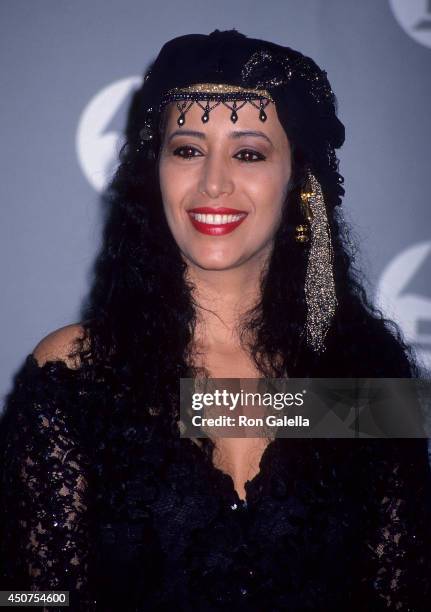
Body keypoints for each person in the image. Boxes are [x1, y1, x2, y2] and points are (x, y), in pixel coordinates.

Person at [0, 28, 430, 612]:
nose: (213, 183)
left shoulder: (368, 380)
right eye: (188, 149)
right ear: (155, 172)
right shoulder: (76, 376)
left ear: (301, 182)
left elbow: (401, 593)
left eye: (249, 152)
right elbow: (28, 596)